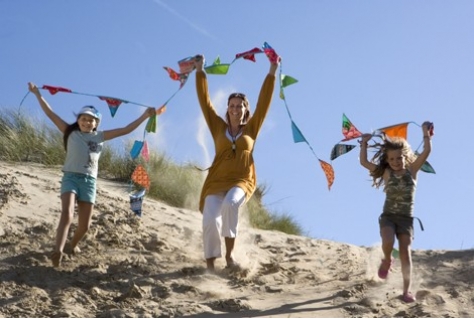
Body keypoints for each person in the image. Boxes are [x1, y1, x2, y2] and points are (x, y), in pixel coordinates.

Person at [28, 82, 156, 267]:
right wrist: (37, 94)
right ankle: (58, 250)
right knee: (67, 213)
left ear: (96, 123)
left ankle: (72, 245)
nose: (87, 122)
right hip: (71, 177)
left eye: (91, 120)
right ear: (78, 120)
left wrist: (145, 115)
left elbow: (126, 129)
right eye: (84, 119)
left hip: (89, 182)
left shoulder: (100, 137)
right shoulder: (69, 132)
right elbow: (50, 113)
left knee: (85, 226)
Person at [193, 54, 279, 271]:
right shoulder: (218, 127)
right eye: (232, 105)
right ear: (228, 108)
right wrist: (200, 70)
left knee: (231, 205)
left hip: (242, 180)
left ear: (245, 110)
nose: (235, 109)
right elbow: (205, 101)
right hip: (216, 182)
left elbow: (264, 102)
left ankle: (230, 257)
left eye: (240, 106)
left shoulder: (252, 128)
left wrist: (272, 71)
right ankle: (211, 263)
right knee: (211, 219)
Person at [359, 122, 433, 303]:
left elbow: (426, 152)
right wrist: (364, 144)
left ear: (405, 156)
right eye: (391, 159)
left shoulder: (412, 170)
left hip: (406, 220)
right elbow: (364, 162)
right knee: (388, 241)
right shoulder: (385, 172)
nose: (395, 162)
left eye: (398, 158)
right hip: (388, 217)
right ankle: (386, 260)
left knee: (405, 253)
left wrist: (425, 133)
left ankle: (406, 291)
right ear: (387, 160)